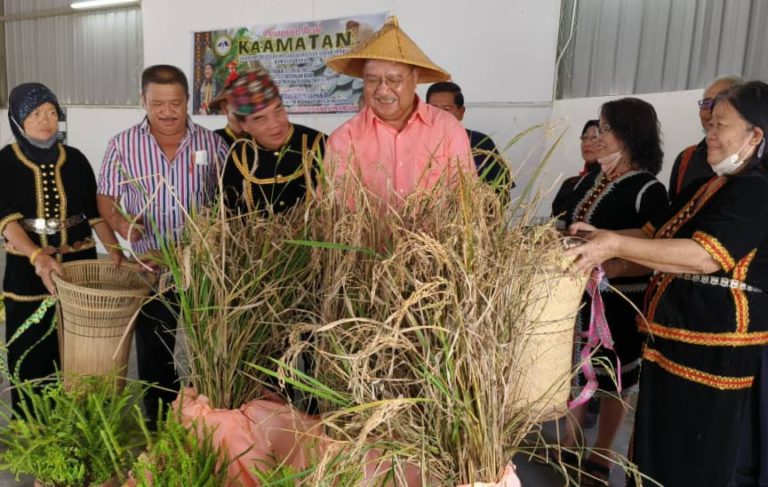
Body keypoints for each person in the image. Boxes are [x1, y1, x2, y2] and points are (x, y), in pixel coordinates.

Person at [566, 81, 768, 487]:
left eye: (721, 125)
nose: (709, 133)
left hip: (716, 349)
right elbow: (655, 235)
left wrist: (613, 245)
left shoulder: (756, 189)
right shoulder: (708, 186)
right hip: (671, 340)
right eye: (709, 123)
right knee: (657, 444)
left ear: (756, 135)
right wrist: (597, 239)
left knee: (695, 451)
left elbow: (705, 255)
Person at [97, 65, 229, 426]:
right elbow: (106, 197)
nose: (167, 112)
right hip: (150, 267)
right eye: (157, 104)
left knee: (209, 347)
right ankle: (159, 426)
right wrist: (121, 224)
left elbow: (227, 200)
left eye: (175, 103)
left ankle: (210, 424)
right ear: (143, 100)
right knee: (155, 347)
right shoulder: (123, 145)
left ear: (188, 101)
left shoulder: (212, 144)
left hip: (202, 267)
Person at [555, 98, 668, 485]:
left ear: (629, 134)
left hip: (621, 299)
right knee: (576, 368)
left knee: (615, 378)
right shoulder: (588, 181)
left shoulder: (647, 189)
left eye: (605, 129)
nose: (597, 137)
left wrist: (613, 261)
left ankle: (602, 453)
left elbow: (656, 249)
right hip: (579, 296)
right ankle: (570, 442)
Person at [0, 83, 122, 413]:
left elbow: (94, 214)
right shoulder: (5, 161)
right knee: (30, 346)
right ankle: (33, 420)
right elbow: (6, 220)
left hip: (78, 265)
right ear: (18, 120)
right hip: (26, 269)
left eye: (52, 112)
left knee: (78, 344)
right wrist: (37, 256)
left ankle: (77, 417)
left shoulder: (76, 160)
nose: (46, 120)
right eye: (36, 114)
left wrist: (115, 251)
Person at [323, 16, 474, 207]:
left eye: (394, 80)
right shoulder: (345, 138)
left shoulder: (447, 128)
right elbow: (336, 208)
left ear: (415, 78)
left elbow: (466, 199)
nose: (383, 90)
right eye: (372, 80)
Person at [219, 63, 326, 214]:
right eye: (260, 118)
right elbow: (227, 216)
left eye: (278, 110)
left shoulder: (320, 145)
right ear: (243, 125)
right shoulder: (238, 158)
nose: (274, 124)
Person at [668, 75, 741, 202]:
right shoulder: (687, 158)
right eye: (706, 104)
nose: (710, 113)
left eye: (718, 103)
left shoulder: (752, 160)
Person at [426, 81, 511, 190]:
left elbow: (502, 188)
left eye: (446, 109)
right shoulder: (416, 141)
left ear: (461, 112)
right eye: (433, 109)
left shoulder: (481, 142)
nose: (438, 114)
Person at [551, 119, 600, 217]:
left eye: (594, 138)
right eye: (584, 137)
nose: (587, 143)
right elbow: (554, 220)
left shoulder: (613, 183)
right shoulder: (570, 183)